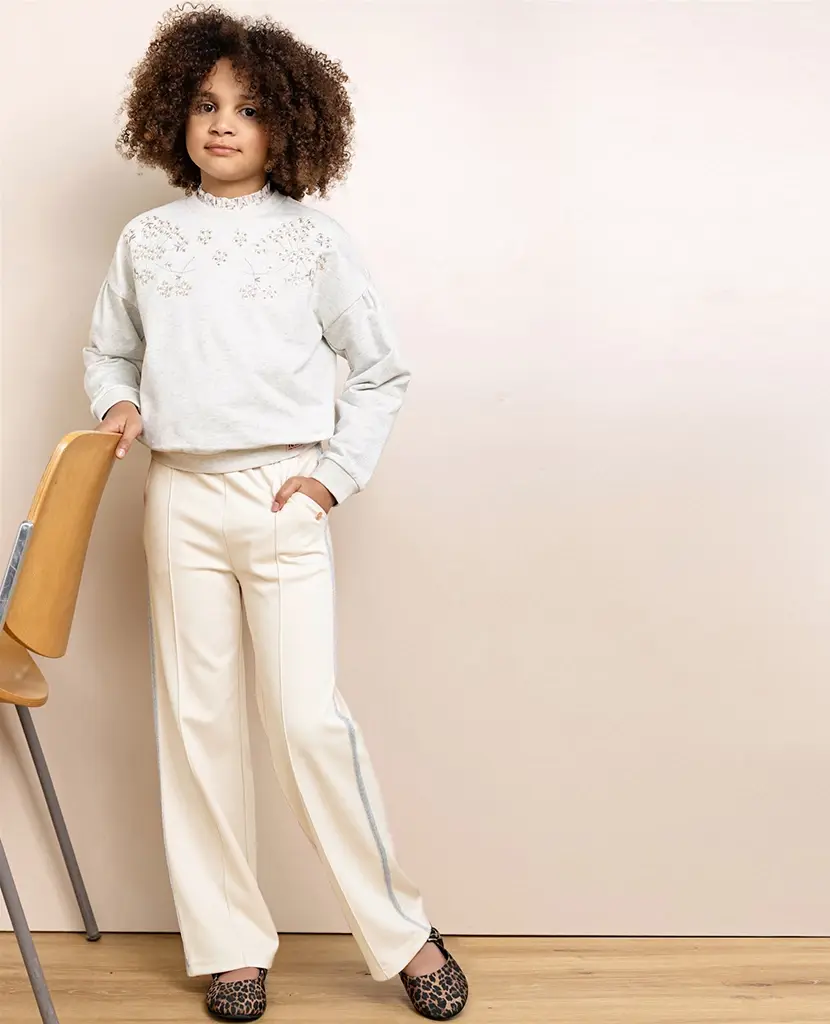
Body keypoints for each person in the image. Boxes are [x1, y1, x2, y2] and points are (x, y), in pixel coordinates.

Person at [82, 6, 468, 1021]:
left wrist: (331, 477)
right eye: (206, 104)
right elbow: (110, 351)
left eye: (249, 109)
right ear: (173, 113)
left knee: (306, 722)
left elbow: (380, 371)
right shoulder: (146, 240)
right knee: (198, 724)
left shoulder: (314, 241)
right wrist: (118, 404)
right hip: (179, 497)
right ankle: (229, 946)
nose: (223, 124)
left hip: (282, 495)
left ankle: (403, 931)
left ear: (287, 125)